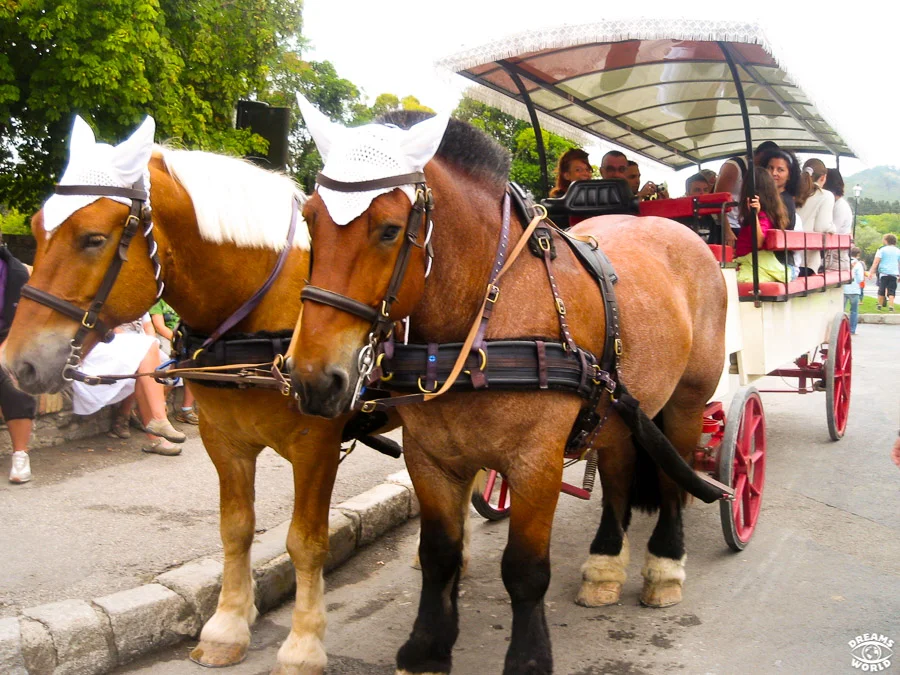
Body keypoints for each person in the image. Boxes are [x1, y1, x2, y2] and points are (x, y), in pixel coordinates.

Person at [74, 314, 186, 455]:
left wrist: (148, 340)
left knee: (153, 363)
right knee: (146, 354)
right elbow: (109, 327)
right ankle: (157, 420)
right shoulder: (105, 297)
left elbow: (148, 326)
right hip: (99, 343)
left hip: (132, 344)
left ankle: (156, 435)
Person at [0, 245, 37, 483]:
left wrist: (6, 346)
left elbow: (25, 322)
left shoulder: (16, 272)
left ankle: (20, 455)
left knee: (11, 374)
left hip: (8, 339)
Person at [715, 140, 779, 246]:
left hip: (743, 222)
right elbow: (719, 200)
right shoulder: (734, 166)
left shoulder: (757, 170)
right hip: (728, 224)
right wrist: (727, 231)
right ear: (761, 155)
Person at [734, 166, 790, 283]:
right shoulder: (769, 213)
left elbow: (759, 242)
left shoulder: (762, 216)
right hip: (750, 261)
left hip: (755, 265)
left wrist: (754, 215)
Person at [149, 298, 198, 424]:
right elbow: (159, 326)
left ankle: (186, 409)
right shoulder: (158, 302)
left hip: (185, 337)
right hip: (166, 336)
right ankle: (161, 403)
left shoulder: (184, 300)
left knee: (195, 364)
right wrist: (178, 341)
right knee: (172, 365)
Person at [795, 158, 835, 274]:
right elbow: (822, 227)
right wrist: (833, 227)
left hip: (788, 258)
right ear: (823, 177)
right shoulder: (825, 195)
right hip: (807, 261)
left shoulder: (793, 192)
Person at [824, 168, 852, 272]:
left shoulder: (839, 206)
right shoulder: (837, 204)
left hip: (834, 261)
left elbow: (833, 230)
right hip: (834, 259)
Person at [869, 233, 900, 311]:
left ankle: (879, 305)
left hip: (883, 273)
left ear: (886, 241)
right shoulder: (898, 251)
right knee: (892, 290)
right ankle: (891, 307)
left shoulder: (881, 250)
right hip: (893, 273)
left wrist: (871, 272)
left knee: (881, 289)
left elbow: (876, 262)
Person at [843, 247, 866, 334]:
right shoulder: (858, 264)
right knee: (854, 311)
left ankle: (842, 328)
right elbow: (860, 278)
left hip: (844, 289)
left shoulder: (844, 262)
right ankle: (852, 329)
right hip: (854, 289)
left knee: (842, 309)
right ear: (858, 254)